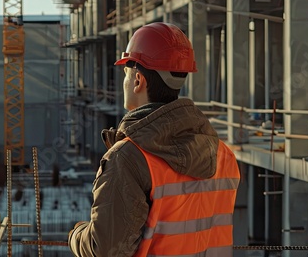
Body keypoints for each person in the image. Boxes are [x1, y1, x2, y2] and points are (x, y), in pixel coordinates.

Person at [68, 22, 240, 257]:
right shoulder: (223, 155)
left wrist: (77, 235)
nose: (125, 82)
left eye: (126, 74)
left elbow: (105, 250)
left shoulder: (128, 158)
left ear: (138, 80)